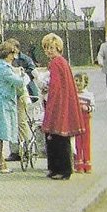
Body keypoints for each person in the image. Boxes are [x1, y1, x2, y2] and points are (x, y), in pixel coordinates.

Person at [40, 33, 85, 180]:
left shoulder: (56, 63)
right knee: (57, 138)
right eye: (47, 48)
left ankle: (62, 170)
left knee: (57, 138)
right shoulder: (61, 62)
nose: (49, 51)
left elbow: (56, 86)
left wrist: (48, 94)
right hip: (61, 102)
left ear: (58, 47)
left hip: (58, 104)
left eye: (52, 48)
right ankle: (55, 168)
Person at [0, 41, 27, 173]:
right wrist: (23, 75)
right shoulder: (4, 68)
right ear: (8, 54)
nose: (13, 57)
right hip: (2, 102)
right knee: (0, 133)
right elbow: (18, 82)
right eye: (12, 54)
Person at [74, 73, 95, 173]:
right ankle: (79, 165)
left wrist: (88, 108)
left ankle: (87, 164)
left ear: (85, 83)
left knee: (86, 142)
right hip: (77, 121)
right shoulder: (73, 94)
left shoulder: (89, 95)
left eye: (79, 80)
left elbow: (93, 107)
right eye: (75, 80)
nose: (77, 83)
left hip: (85, 119)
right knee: (77, 142)